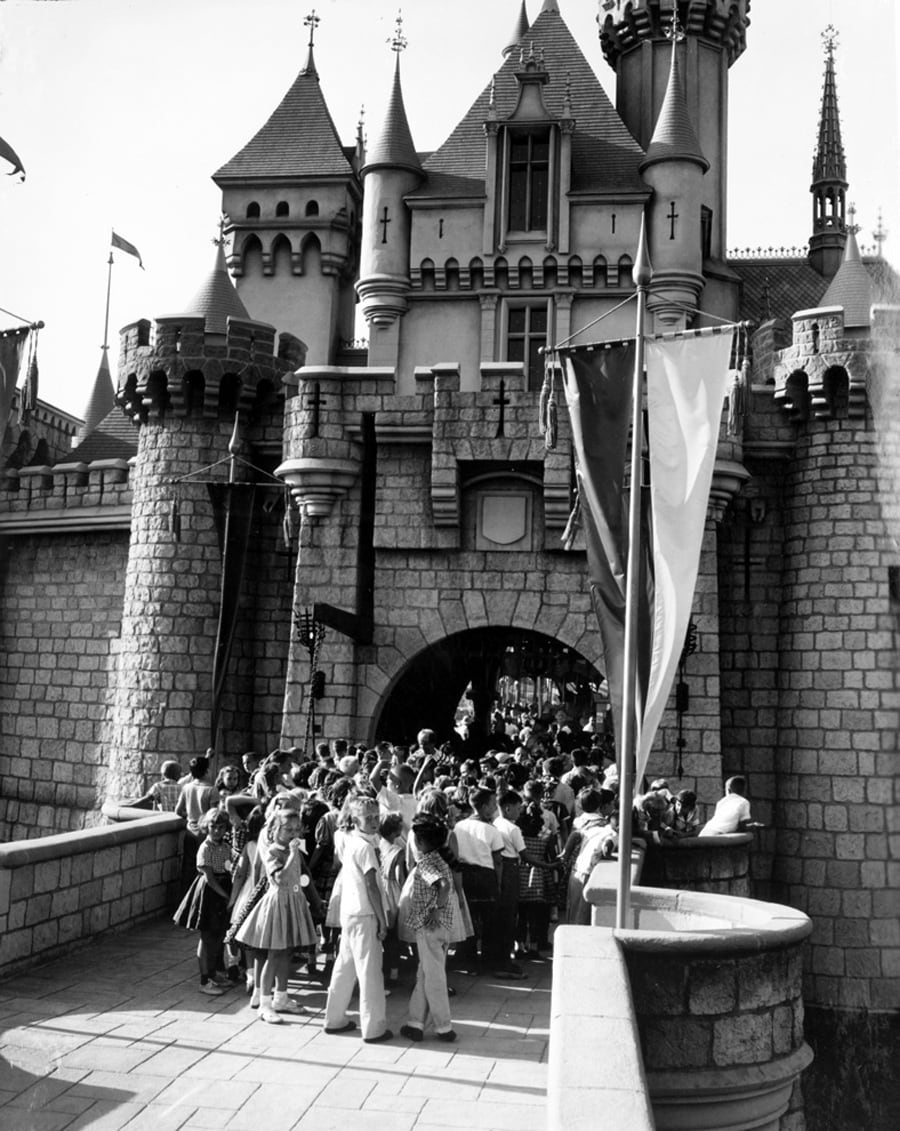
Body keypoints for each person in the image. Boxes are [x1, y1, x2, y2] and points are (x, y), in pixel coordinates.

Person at [235, 800, 320, 1024]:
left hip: (294, 903)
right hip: (277, 905)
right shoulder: (273, 851)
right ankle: (264, 1003)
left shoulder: (294, 850)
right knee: (273, 955)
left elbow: (301, 876)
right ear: (275, 830)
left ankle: (281, 997)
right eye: (287, 830)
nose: (293, 834)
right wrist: (293, 854)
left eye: (296, 830)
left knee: (287, 952)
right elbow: (280, 878)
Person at [323, 796, 392, 1043]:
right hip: (365, 912)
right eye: (368, 818)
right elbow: (372, 885)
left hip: (350, 911)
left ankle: (334, 1018)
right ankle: (374, 1028)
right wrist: (382, 920)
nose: (374, 822)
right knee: (370, 971)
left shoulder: (350, 840)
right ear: (355, 819)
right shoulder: (364, 847)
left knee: (345, 966)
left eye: (376, 817)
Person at [399, 815, 457, 1043]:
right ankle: (415, 1023)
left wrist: (435, 909)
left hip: (429, 926)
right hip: (440, 928)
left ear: (420, 843)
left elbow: (442, 885)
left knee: (433, 978)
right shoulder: (440, 858)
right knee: (424, 974)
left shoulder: (426, 864)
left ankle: (444, 1027)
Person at [172, 808, 234, 996]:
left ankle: (214, 973)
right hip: (210, 893)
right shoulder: (205, 848)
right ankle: (204, 979)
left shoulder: (225, 846)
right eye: (213, 826)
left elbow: (229, 867)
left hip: (223, 888)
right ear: (206, 826)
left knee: (218, 936)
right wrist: (224, 894)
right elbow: (208, 876)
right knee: (207, 937)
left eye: (221, 827)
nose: (216, 831)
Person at [452, 787, 504, 973]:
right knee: (489, 919)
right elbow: (497, 861)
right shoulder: (491, 830)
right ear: (483, 807)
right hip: (485, 876)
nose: (495, 807)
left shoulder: (459, 826)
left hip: (464, 874)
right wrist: (498, 883)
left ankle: (467, 960)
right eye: (492, 804)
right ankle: (489, 960)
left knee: (468, 918)